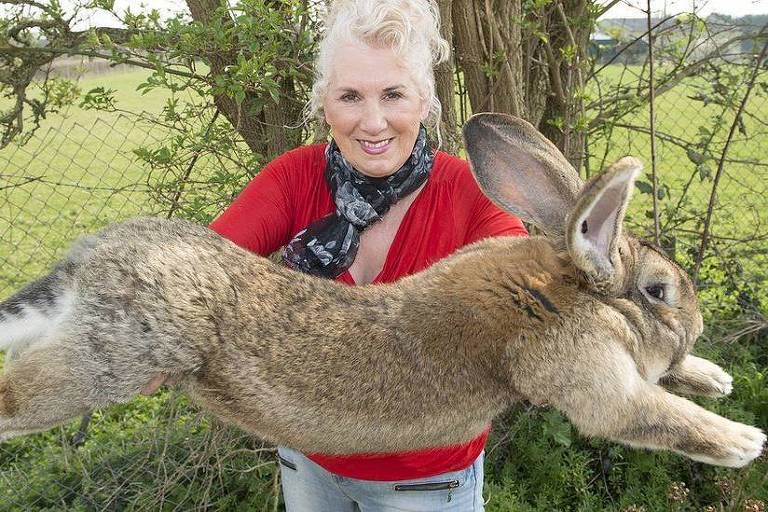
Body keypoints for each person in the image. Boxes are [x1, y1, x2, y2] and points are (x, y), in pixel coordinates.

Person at [209, 0, 527, 510]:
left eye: (394, 94)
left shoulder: (469, 196)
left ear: (424, 102)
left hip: (426, 481)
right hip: (309, 459)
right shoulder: (294, 178)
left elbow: (528, 302)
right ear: (325, 105)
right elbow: (198, 267)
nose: (373, 122)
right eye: (351, 96)